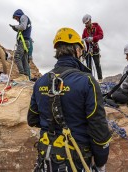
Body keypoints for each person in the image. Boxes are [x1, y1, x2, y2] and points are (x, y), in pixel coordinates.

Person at [27, 27, 111, 172]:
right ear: (77, 50)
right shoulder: (87, 81)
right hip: (75, 161)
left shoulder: (40, 82)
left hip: (46, 160)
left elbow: (32, 119)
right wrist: (100, 161)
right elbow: (99, 128)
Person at [10, 9, 32, 81]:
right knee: (24, 59)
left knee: (17, 57)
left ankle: (22, 75)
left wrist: (15, 26)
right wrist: (15, 28)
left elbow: (23, 27)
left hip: (23, 42)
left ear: (18, 15)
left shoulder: (23, 17)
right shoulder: (24, 19)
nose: (16, 20)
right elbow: (23, 28)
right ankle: (25, 76)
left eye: (16, 18)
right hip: (25, 42)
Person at [82, 14, 104, 83]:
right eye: (85, 23)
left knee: (97, 64)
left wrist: (93, 38)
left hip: (95, 49)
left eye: (87, 23)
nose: (86, 25)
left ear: (90, 20)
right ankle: (90, 80)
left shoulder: (96, 27)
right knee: (88, 66)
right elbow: (82, 38)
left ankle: (100, 80)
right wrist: (85, 40)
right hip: (88, 50)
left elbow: (101, 35)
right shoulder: (85, 30)